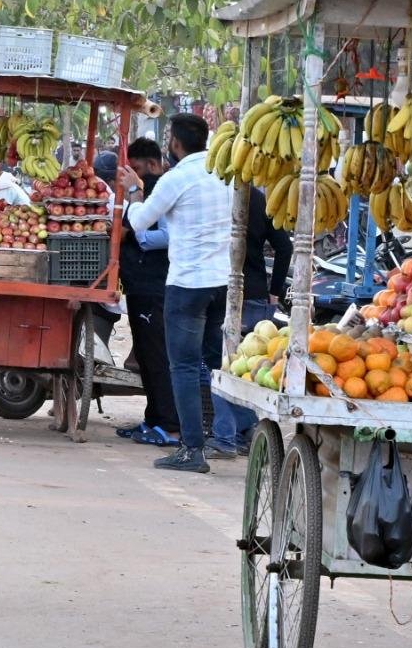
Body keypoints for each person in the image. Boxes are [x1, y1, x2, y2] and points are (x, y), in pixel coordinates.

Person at [118, 113, 231, 474]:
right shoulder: (224, 174)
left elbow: (138, 221)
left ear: (176, 144)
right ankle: (221, 435)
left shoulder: (176, 178)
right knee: (213, 364)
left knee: (182, 366)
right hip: (221, 282)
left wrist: (135, 191)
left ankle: (191, 448)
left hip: (187, 285)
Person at [209, 184, 292, 455]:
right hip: (256, 293)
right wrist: (274, 292)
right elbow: (284, 247)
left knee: (223, 366)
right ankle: (246, 431)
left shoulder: (219, 194)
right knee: (248, 370)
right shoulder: (259, 198)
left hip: (225, 291)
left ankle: (225, 437)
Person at [109, 141, 179, 448]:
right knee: (146, 359)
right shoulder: (144, 191)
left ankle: (169, 424)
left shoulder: (160, 189)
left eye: (136, 170)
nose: (131, 177)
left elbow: (165, 236)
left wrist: (133, 234)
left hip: (156, 285)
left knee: (158, 357)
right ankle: (153, 419)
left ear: (152, 165)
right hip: (139, 286)